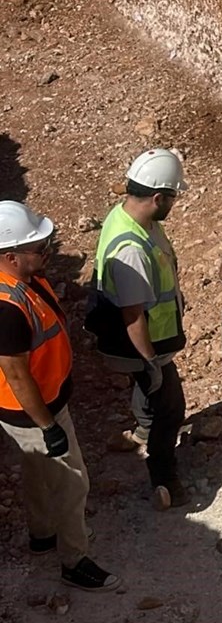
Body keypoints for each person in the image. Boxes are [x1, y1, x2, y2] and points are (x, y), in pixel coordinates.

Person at [0, 201, 120, 591]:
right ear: (10, 256)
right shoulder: (7, 309)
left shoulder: (23, 280)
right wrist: (48, 425)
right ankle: (74, 560)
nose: (47, 251)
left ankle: (42, 535)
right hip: (36, 410)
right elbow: (17, 375)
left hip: (27, 410)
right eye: (38, 247)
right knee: (72, 482)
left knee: (37, 473)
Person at [90, 149, 189, 510]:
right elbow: (134, 317)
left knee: (148, 392)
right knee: (171, 408)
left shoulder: (130, 218)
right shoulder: (130, 247)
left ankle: (143, 428)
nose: (175, 205)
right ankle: (164, 476)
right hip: (144, 345)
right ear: (158, 198)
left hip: (150, 337)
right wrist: (151, 363)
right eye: (173, 198)